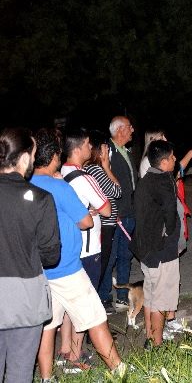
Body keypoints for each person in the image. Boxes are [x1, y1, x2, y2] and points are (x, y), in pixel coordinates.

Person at [31, 129, 125, 379]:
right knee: (96, 317)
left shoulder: (27, 184)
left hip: (42, 269)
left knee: (49, 326)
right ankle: (120, 371)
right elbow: (86, 221)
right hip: (67, 267)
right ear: (53, 156)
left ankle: (46, 377)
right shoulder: (58, 186)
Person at [0, 128, 61, 383]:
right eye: (33, 156)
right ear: (24, 158)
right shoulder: (40, 199)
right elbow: (51, 256)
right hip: (23, 297)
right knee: (19, 372)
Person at [60, 129, 113, 363]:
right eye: (89, 144)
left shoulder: (61, 172)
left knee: (69, 302)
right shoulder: (83, 177)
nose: (91, 148)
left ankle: (64, 348)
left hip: (68, 246)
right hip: (88, 247)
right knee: (84, 302)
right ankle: (76, 353)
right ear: (79, 147)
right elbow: (106, 208)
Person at [132, 140, 180, 347]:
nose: (175, 159)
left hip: (145, 248)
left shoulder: (145, 180)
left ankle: (150, 337)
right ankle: (158, 344)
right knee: (161, 298)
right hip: (161, 250)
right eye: (172, 157)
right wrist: (170, 233)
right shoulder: (164, 181)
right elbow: (170, 215)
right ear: (164, 161)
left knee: (151, 295)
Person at [99, 116, 137, 312]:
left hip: (130, 212)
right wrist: (114, 211)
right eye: (130, 127)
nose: (133, 130)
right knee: (110, 257)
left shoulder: (127, 152)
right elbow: (103, 183)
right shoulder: (107, 152)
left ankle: (123, 295)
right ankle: (105, 297)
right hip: (115, 215)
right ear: (120, 130)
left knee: (126, 256)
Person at [83, 131, 121, 294]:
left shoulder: (90, 169)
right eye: (106, 148)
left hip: (105, 224)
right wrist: (106, 167)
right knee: (101, 266)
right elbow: (117, 191)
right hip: (104, 225)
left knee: (103, 265)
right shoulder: (96, 170)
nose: (108, 151)